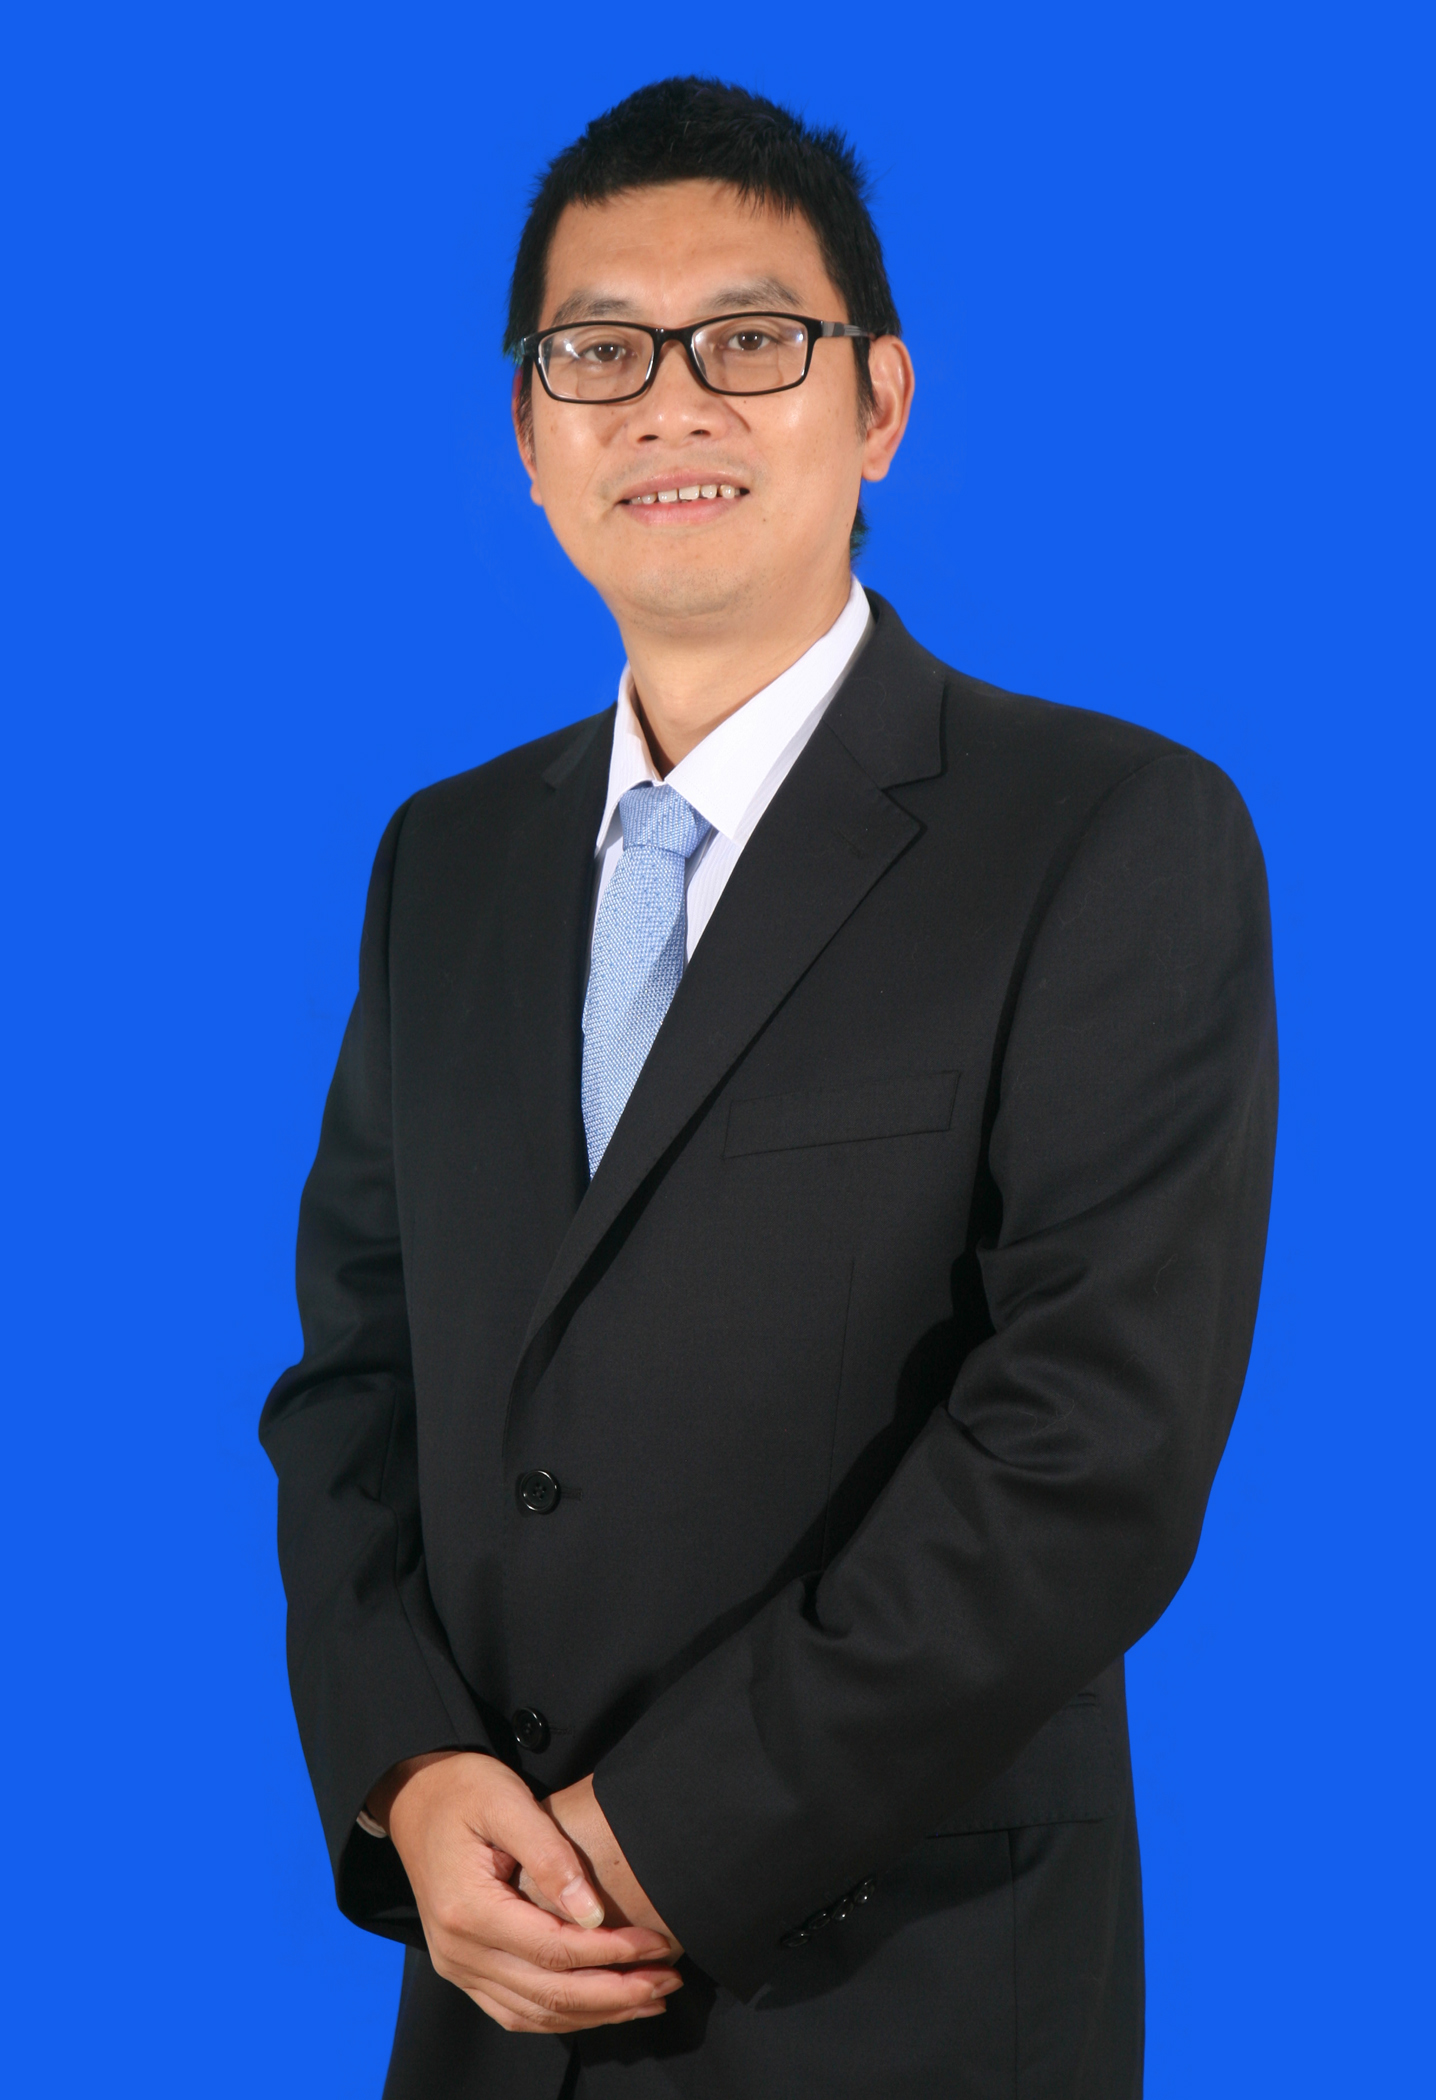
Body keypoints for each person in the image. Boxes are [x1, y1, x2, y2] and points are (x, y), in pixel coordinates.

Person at [261, 75, 1277, 2100]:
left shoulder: (1104, 832)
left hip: (898, 1986)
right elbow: (359, 1381)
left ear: (878, 401)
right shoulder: (442, 861)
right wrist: (410, 1772)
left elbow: (1091, 1449)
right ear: (530, 434)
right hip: (490, 1997)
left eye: (748, 341)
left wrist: (659, 1835)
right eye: (598, 353)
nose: (669, 405)